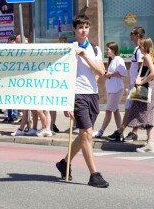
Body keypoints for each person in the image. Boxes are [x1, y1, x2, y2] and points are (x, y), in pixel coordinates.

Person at [55, 15, 109, 188]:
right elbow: (62, 76)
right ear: (74, 29)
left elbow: (101, 71)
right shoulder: (69, 49)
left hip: (92, 94)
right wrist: (66, 102)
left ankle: (64, 162)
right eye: (80, 27)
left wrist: (85, 55)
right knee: (87, 134)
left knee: (83, 135)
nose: (83, 30)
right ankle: (94, 174)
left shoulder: (94, 48)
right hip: (76, 95)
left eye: (86, 27)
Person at [108, 27, 145, 142]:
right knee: (130, 107)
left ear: (137, 35)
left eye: (132, 34)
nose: (130, 36)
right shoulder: (136, 49)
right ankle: (122, 131)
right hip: (134, 83)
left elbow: (141, 67)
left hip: (136, 84)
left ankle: (127, 132)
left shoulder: (140, 50)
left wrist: (138, 82)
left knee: (132, 108)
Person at [127, 37, 154, 153]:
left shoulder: (146, 56)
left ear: (145, 47)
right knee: (147, 117)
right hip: (150, 90)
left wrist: (142, 80)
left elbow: (153, 73)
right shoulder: (152, 56)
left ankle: (150, 143)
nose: (138, 48)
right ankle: (149, 142)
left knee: (146, 118)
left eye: (140, 46)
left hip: (146, 90)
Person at [93, 42, 127, 138]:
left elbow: (123, 73)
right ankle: (120, 133)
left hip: (116, 90)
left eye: (107, 49)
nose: (106, 51)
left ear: (113, 50)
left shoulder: (118, 59)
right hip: (112, 89)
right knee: (115, 111)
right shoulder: (111, 60)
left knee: (108, 110)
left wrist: (111, 74)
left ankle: (101, 131)